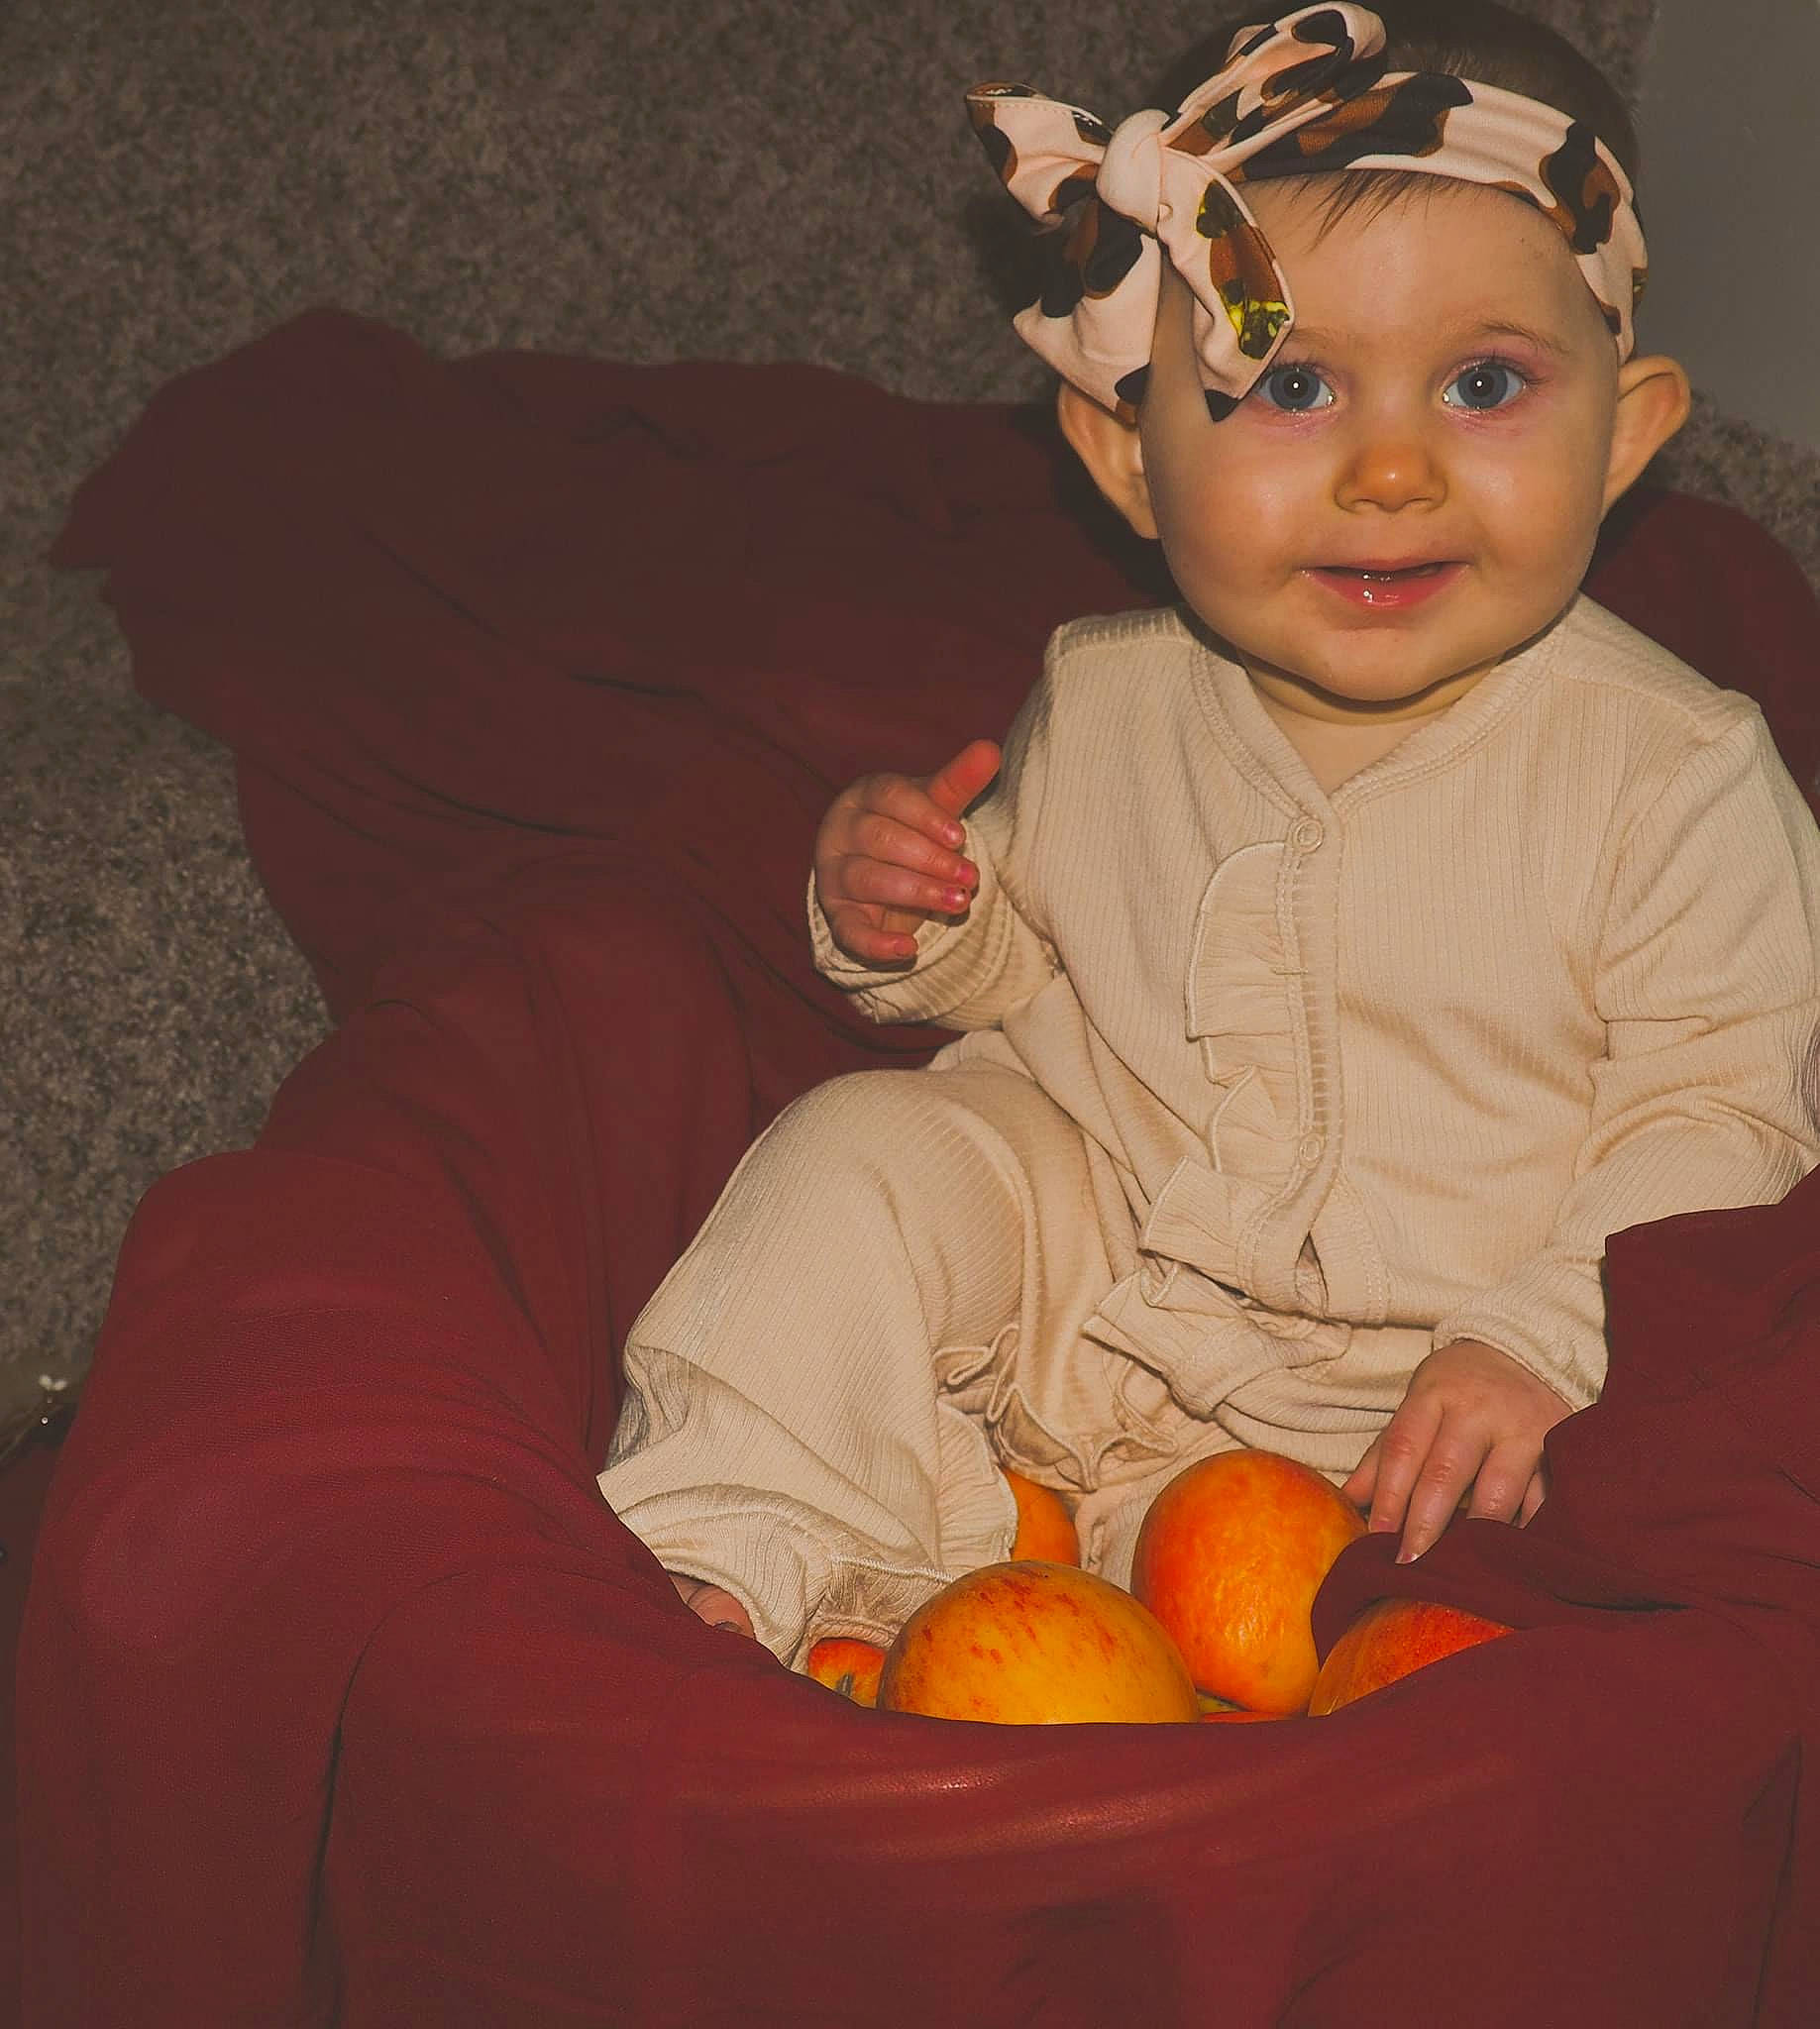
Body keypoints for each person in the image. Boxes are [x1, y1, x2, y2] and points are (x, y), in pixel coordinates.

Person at [598, 0, 1820, 1662]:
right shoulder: (1099, 696)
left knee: (1601, 1563)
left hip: (1427, 1393)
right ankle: (729, 1546)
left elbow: (1730, 1111)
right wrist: (919, 913)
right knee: (856, 1158)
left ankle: (1065, 1597)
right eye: (1292, 382)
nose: (1389, 471)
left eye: (1481, 384)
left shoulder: (1671, 768)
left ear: (1620, 436)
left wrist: (1538, 1336)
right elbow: (1024, 963)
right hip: (1094, 1279)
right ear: (1126, 460)